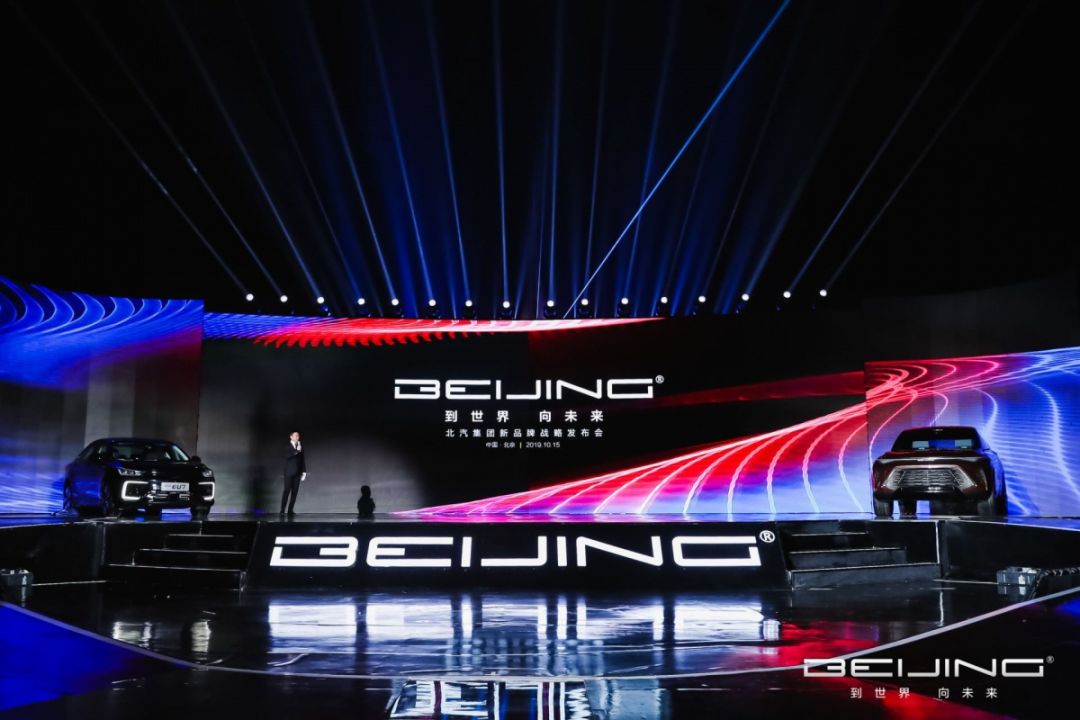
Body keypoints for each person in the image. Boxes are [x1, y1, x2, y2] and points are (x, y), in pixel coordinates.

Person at [281, 431, 306, 516]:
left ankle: (290, 510)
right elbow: (286, 456)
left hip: (298, 473)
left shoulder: (300, 446)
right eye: (295, 435)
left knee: (295, 492)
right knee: (287, 490)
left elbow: (302, 459)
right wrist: (296, 451)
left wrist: (304, 471)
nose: (297, 437)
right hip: (289, 472)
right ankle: (282, 510)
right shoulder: (287, 446)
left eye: (298, 435)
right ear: (291, 437)